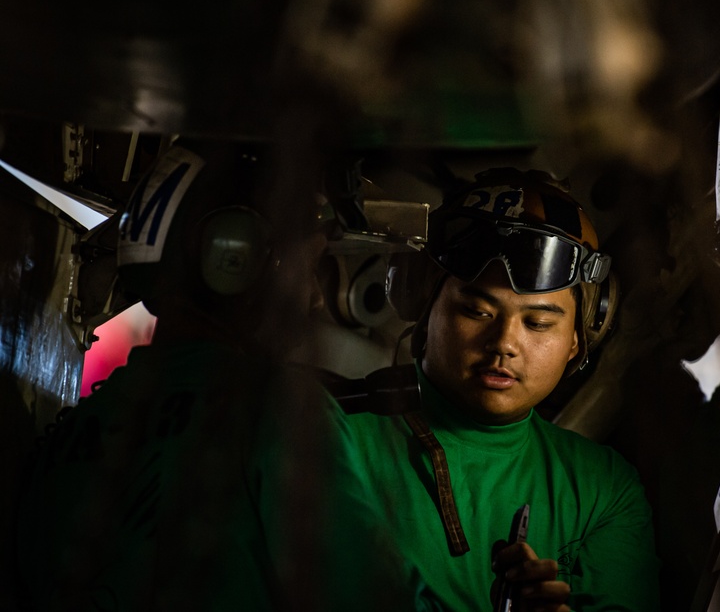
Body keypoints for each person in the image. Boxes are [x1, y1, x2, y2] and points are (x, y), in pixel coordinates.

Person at [15, 141, 436, 611]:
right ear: (235, 260)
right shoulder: (280, 412)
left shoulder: (68, 434)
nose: (316, 298)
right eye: (308, 266)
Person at [350, 167, 661, 611]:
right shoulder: (334, 436)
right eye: (476, 311)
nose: (504, 344)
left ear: (578, 338)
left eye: (538, 323)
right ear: (423, 301)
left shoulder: (603, 491)